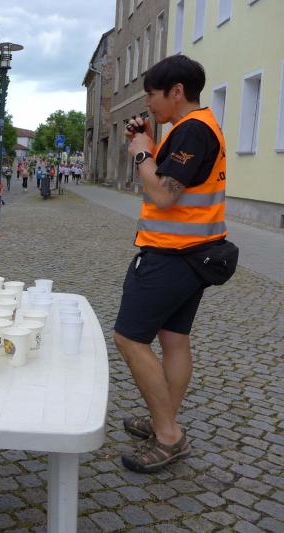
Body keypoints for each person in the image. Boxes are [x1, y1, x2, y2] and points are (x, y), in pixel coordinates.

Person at [115, 55, 229, 474]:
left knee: (129, 339)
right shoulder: (196, 127)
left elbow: (163, 195)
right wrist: (150, 144)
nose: (147, 103)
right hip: (194, 253)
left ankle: (168, 435)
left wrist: (142, 154)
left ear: (176, 91)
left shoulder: (192, 131)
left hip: (171, 255)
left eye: (151, 95)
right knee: (174, 339)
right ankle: (165, 418)